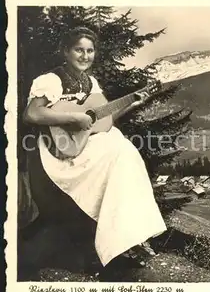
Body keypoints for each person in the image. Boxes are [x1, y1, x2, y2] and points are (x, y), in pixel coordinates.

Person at [23, 26, 168, 270]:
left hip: (84, 143)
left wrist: (132, 102)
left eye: (89, 51)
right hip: (58, 151)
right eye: (78, 50)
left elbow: (101, 118)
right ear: (66, 51)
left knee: (124, 151)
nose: (85, 56)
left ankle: (127, 236)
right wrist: (74, 118)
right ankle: (117, 240)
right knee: (120, 153)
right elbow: (32, 114)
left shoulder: (91, 82)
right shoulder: (50, 80)